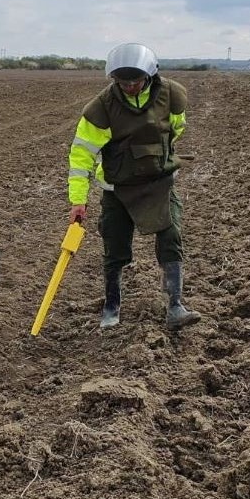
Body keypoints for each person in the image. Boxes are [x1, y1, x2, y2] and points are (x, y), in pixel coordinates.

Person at [68, 42, 201, 330]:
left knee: (171, 237)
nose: (128, 86)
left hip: (159, 184)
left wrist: (154, 159)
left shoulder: (171, 95)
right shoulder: (101, 108)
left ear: (149, 76)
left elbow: (175, 129)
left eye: (135, 81)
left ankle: (175, 305)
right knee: (114, 247)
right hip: (118, 189)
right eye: (122, 82)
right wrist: (78, 200)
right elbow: (81, 156)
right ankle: (111, 305)